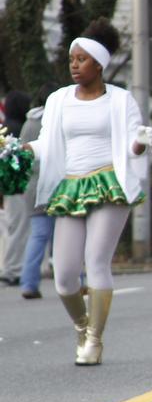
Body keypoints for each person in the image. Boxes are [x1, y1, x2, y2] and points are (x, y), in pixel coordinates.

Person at [22, 17, 152, 365]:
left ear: (99, 64)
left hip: (109, 184)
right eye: (72, 60)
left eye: (82, 60)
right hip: (71, 186)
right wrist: (20, 152)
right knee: (64, 276)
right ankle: (83, 325)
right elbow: (46, 143)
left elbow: (131, 145)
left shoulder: (120, 100)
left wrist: (140, 144)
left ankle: (95, 341)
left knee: (96, 261)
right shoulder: (58, 100)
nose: (75, 66)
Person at [17, 83, 60, 299]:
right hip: (56, 184)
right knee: (65, 235)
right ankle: (76, 282)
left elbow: (22, 154)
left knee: (38, 236)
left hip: (31, 186)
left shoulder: (28, 122)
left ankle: (28, 282)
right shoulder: (56, 121)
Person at [0, 90, 32, 287]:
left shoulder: (4, 128)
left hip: (8, 186)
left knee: (12, 226)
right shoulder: (18, 129)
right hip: (18, 185)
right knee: (19, 227)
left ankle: (12, 266)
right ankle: (12, 269)